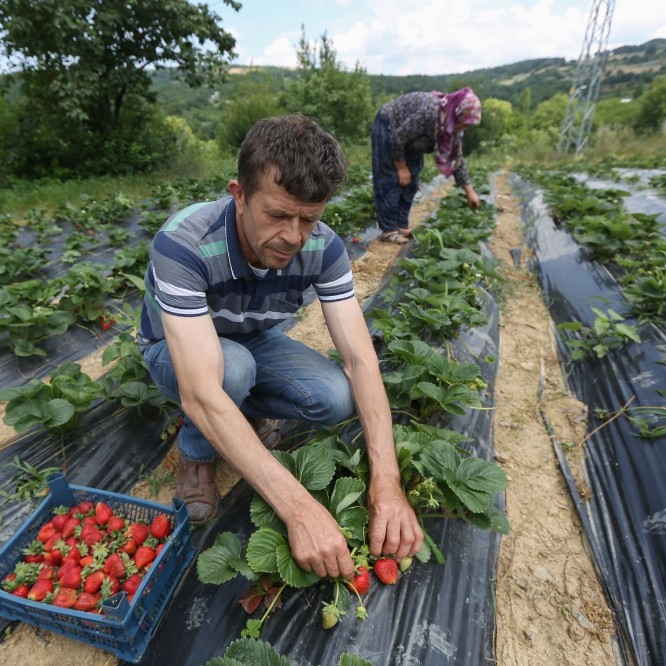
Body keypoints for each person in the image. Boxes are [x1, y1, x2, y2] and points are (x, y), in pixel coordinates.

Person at [137, 113, 423, 580]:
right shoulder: (184, 243)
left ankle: (241, 413)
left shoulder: (324, 247)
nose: (293, 236)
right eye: (276, 215)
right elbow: (200, 391)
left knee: (336, 396)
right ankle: (197, 454)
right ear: (239, 194)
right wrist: (298, 508)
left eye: (308, 218)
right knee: (229, 372)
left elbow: (359, 359)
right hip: (175, 346)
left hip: (252, 336)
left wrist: (387, 483)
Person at [371, 87, 483, 244]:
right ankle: (389, 230)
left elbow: (456, 158)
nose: (465, 128)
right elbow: (398, 137)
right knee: (391, 178)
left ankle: (401, 225)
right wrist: (401, 167)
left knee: (411, 182)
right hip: (390, 125)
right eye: (465, 123)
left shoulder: (452, 126)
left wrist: (470, 191)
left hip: (411, 141)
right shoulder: (431, 112)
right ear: (457, 113)